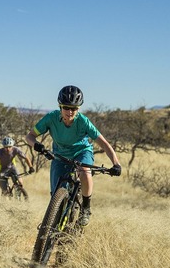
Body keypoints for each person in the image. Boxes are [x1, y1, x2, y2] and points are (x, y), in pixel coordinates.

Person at [25, 85, 121, 226]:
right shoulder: (51, 118)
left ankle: (86, 208)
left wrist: (116, 163)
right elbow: (29, 136)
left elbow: (104, 144)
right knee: (55, 197)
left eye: (74, 109)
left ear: (79, 108)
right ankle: (51, 227)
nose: (70, 112)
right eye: (66, 107)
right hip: (60, 155)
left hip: (81, 152)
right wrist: (37, 146)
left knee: (85, 173)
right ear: (60, 106)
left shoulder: (83, 121)